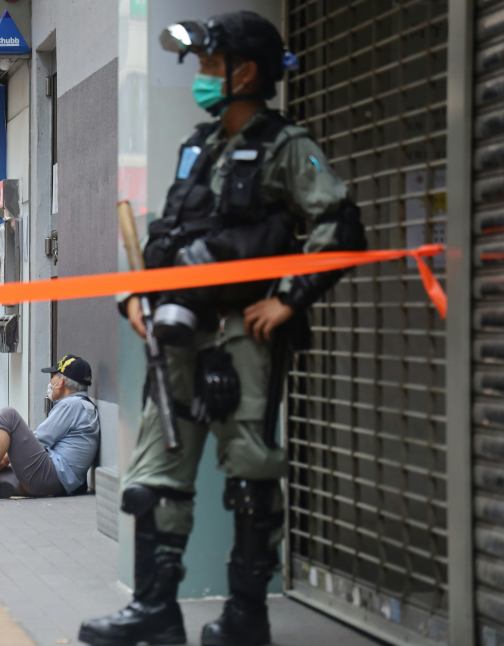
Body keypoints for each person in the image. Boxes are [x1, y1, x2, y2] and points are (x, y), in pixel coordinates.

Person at [78, 12, 366, 646]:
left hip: (243, 338)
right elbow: (165, 237)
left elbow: (340, 226)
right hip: (175, 335)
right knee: (155, 477)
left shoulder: (288, 146)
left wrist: (287, 300)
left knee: (250, 476)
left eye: (211, 66)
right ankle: (155, 610)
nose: (202, 78)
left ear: (247, 72)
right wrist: (136, 295)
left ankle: (246, 617)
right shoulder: (197, 145)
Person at [0, 355, 100, 501]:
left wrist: (3, 459)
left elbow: (41, 439)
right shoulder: (82, 405)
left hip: (54, 476)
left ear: (61, 382)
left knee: (7, 416)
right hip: (63, 481)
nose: (51, 381)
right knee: (2, 479)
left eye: (53, 376)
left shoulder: (72, 405)